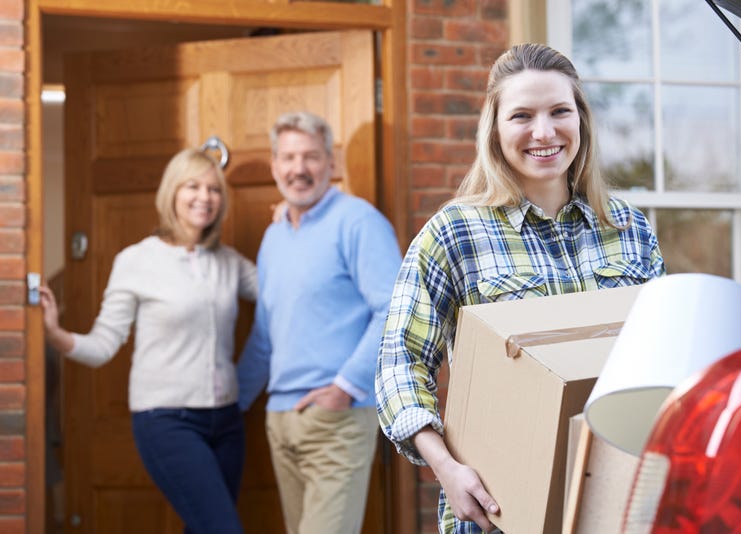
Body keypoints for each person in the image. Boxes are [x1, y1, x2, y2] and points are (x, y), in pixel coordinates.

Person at [376, 43, 666, 534]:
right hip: (498, 509)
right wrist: (446, 468)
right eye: (522, 116)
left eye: (559, 111)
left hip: (616, 501)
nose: (544, 131)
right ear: (494, 128)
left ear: (581, 121)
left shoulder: (630, 230)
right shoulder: (455, 233)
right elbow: (398, 362)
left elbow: (662, 356)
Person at [40, 148, 257, 534]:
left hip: (227, 421)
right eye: (193, 186)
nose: (204, 197)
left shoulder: (229, 261)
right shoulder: (136, 261)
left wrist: (291, 228)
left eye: (213, 189)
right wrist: (56, 335)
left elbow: (284, 293)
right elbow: (104, 344)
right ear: (172, 193)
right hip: (167, 421)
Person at [236, 111, 402, 534]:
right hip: (280, 418)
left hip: (337, 419)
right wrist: (232, 404)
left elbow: (394, 309)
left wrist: (345, 388)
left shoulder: (358, 222)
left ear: (331, 163)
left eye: (310, 157)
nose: (299, 169)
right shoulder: (275, 237)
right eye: (288, 158)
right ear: (274, 166)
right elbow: (265, 333)